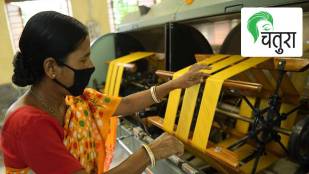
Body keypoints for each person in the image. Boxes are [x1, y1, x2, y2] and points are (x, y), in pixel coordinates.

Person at [1, 11, 210, 174]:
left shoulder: (72, 100)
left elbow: (125, 104)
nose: (91, 65)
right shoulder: (28, 125)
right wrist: (151, 152)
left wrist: (174, 84)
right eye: (83, 59)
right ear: (51, 68)